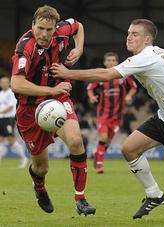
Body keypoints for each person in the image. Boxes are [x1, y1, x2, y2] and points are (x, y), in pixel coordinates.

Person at [51, 19, 164, 222]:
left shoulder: (145, 57)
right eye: (128, 32)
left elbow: (107, 74)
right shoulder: (160, 52)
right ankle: (154, 194)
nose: (129, 36)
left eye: (135, 33)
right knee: (129, 149)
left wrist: (67, 74)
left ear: (147, 39)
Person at [11, 5, 95, 216]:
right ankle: (39, 187)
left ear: (55, 28)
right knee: (41, 167)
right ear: (33, 25)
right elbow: (16, 83)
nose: (44, 34)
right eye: (40, 28)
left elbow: (79, 26)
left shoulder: (63, 30)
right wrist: (51, 88)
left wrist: (79, 48)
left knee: (76, 140)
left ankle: (81, 198)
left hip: (58, 97)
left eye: (49, 30)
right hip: (30, 109)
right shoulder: (25, 47)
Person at [87, 52, 137, 173]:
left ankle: (97, 155)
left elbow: (134, 87)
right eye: (108, 60)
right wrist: (92, 97)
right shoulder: (101, 76)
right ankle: (99, 165)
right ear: (104, 63)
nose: (111, 62)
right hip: (103, 114)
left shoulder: (123, 76)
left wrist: (129, 96)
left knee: (107, 142)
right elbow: (89, 88)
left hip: (118, 115)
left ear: (117, 62)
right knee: (103, 138)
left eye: (113, 60)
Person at [0, 76, 28, 168]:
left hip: (9, 118)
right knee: (1, 139)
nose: (3, 84)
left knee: (11, 139)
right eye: (2, 82)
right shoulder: (1, 94)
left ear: (9, 83)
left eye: (5, 82)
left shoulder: (11, 93)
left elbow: (11, 107)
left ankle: (23, 158)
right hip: (1, 118)